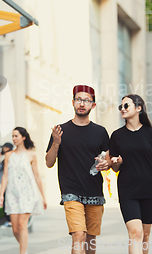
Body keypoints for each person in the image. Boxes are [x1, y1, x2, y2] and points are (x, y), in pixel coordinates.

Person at [45, 85, 110, 254]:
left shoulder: (101, 132)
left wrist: (106, 164)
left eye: (87, 101)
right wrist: (56, 143)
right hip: (71, 192)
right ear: (73, 102)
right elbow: (49, 162)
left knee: (90, 240)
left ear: (93, 105)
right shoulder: (61, 130)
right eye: (79, 100)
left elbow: (109, 160)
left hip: (94, 192)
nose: (82, 104)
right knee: (79, 235)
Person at [109, 94, 152, 254]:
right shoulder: (116, 136)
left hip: (149, 189)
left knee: (145, 235)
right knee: (136, 233)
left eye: (126, 105)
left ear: (138, 108)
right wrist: (117, 163)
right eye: (121, 106)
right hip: (128, 190)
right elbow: (115, 168)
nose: (122, 109)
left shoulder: (151, 133)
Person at [0, 127, 47, 254]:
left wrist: (43, 197)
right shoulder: (8, 155)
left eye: (16, 136)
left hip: (27, 193)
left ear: (23, 137)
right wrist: (1, 194)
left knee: (21, 225)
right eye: (12, 136)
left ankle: (22, 252)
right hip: (12, 194)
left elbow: (37, 176)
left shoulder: (31, 155)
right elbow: (5, 176)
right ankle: (24, 248)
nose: (14, 139)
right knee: (15, 229)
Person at [0, 142, 14, 227]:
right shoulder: (4, 158)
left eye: (4, 148)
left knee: (8, 201)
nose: (3, 149)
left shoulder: (11, 157)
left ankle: (10, 221)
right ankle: (9, 221)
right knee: (5, 201)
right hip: (5, 183)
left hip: (9, 183)